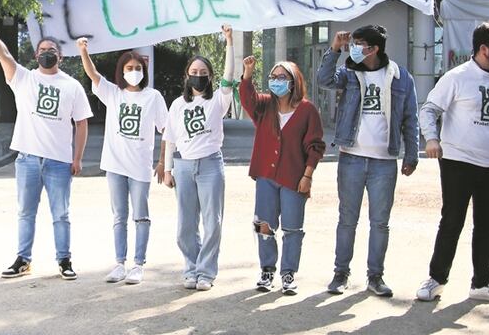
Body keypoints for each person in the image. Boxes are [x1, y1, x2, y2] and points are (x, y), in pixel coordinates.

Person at [0, 16, 92, 281]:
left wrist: (78, 158)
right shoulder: (23, 79)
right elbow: (3, 53)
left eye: (51, 51)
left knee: (61, 214)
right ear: (35, 56)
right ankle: (23, 260)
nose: (46, 54)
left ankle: (64, 260)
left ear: (60, 57)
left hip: (59, 162)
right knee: (26, 213)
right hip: (27, 159)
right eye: (42, 51)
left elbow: (82, 123)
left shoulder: (71, 86)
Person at [417, 22, 489, 305]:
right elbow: (429, 110)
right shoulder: (457, 77)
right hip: (458, 162)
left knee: (488, 225)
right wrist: (431, 139)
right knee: (452, 221)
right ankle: (436, 280)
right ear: (483, 49)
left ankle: (481, 283)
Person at [317, 25, 419, 298]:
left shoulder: (400, 77)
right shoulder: (350, 72)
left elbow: (411, 118)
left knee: (380, 222)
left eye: (359, 44)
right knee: (347, 219)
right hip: (351, 157)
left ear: (373, 49)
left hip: (384, 162)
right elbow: (323, 79)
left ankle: (375, 276)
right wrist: (335, 49)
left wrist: (411, 154)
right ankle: (341, 273)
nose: (354, 48)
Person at [78, 39, 168, 285]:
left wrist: (162, 162)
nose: (133, 72)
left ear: (144, 71)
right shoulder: (114, 94)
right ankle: (120, 263)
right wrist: (83, 51)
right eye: (128, 68)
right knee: (119, 216)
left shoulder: (153, 97)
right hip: (115, 166)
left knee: (141, 216)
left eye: (137, 68)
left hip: (139, 167)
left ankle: (138, 264)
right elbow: (93, 74)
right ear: (121, 72)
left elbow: (167, 132)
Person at [240, 55, 325, 295]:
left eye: (282, 77)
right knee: (264, 225)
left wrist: (307, 176)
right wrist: (248, 73)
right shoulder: (265, 106)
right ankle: (267, 269)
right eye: (273, 77)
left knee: (292, 228)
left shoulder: (307, 110)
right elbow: (247, 99)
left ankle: (288, 273)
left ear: (294, 81)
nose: (276, 81)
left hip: (294, 177)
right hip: (266, 175)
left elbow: (315, 146)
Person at [162, 25, 237, 292]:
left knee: (212, 221)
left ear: (210, 77)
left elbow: (229, 75)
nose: (198, 77)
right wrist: (168, 169)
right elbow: (169, 138)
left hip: (210, 165)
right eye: (194, 73)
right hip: (183, 166)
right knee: (185, 224)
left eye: (203, 73)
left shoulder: (218, 100)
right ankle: (191, 268)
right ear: (186, 76)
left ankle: (206, 272)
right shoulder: (177, 105)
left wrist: (229, 41)